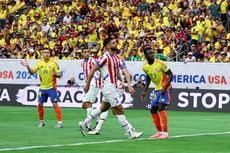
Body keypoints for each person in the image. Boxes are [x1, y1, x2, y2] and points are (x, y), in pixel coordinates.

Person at [79, 38, 143, 139]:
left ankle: (84, 123)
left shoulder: (117, 58)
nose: (116, 43)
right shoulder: (104, 58)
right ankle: (130, 132)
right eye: (113, 43)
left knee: (103, 108)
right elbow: (92, 70)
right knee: (119, 109)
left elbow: (125, 72)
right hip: (108, 87)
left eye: (115, 42)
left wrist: (129, 85)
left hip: (113, 87)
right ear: (107, 46)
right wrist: (87, 85)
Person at [21, 48, 63, 128]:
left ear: (50, 54)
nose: (46, 54)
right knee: (40, 104)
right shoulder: (39, 63)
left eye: (48, 52)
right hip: (42, 88)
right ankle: (41, 122)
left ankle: (60, 123)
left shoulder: (54, 63)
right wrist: (27, 66)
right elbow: (32, 72)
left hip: (52, 88)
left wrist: (56, 74)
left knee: (55, 104)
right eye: (45, 52)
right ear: (42, 54)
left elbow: (60, 75)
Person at [141, 47, 173, 139]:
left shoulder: (160, 63)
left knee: (161, 107)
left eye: (152, 53)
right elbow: (148, 77)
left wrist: (165, 87)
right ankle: (159, 132)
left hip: (165, 88)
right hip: (157, 89)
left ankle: (165, 133)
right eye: (149, 54)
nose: (152, 55)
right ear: (145, 56)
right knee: (153, 109)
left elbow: (171, 75)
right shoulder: (145, 67)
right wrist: (144, 91)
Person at [81, 48, 109, 135]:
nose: (87, 53)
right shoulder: (82, 62)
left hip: (94, 83)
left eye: (88, 52)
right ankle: (96, 120)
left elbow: (100, 69)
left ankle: (88, 124)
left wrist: (99, 79)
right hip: (89, 83)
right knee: (84, 105)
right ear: (81, 54)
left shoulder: (92, 60)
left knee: (88, 103)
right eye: (85, 52)